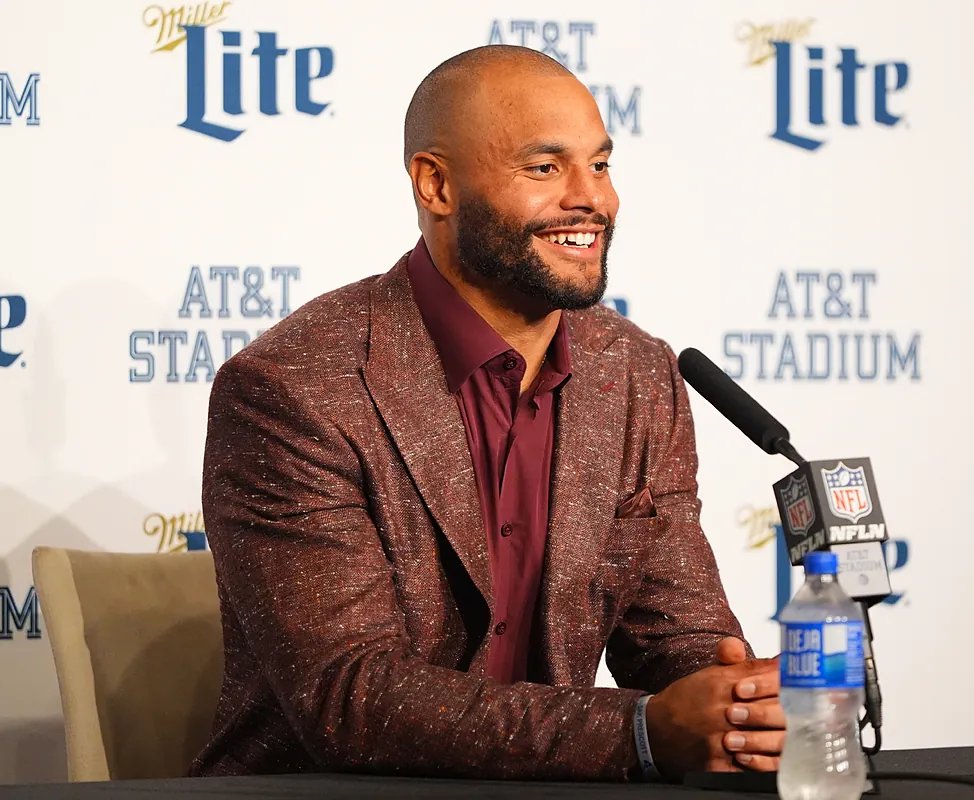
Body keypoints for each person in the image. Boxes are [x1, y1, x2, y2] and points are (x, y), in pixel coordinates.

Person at [191, 44, 784, 782]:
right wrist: (637, 731)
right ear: (436, 185)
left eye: (599, 164)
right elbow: (353, 699)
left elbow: (676, 634)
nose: (594, 200)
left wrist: (740, 702)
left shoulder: (636, 374)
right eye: (545, 169)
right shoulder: (293, 388)